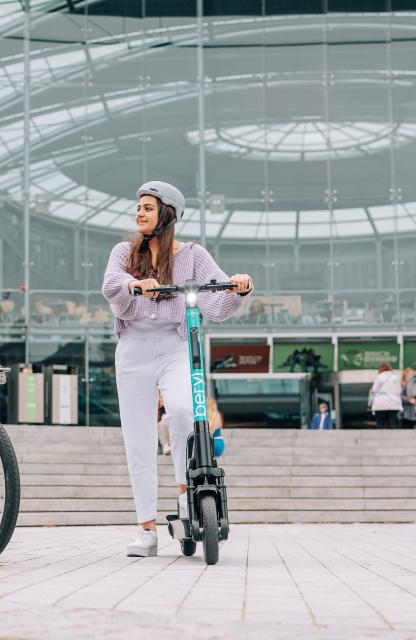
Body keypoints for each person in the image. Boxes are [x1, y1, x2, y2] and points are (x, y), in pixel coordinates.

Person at [102, 180, 253, 558]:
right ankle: (147, 530)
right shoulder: (124, 252)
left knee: (185, 411)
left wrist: (238, 288)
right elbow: (111, 285)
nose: (139, 213)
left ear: (167, 214)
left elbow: (216, 299)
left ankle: (188, 496)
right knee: (137, 438)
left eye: (148, 207)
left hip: (175, 347)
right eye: (138, 207)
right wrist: (136, 283)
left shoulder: (192, 255)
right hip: (133, 349)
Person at [368, 363, 402, 429]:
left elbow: (374, 390)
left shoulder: (379, 377)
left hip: (380, 403)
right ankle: (394, 438)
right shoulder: (395, 377)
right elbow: (399, 390)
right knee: (392, 422)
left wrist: (370, 402)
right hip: (394, 403)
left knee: (380, 423)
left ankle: (380, 438)